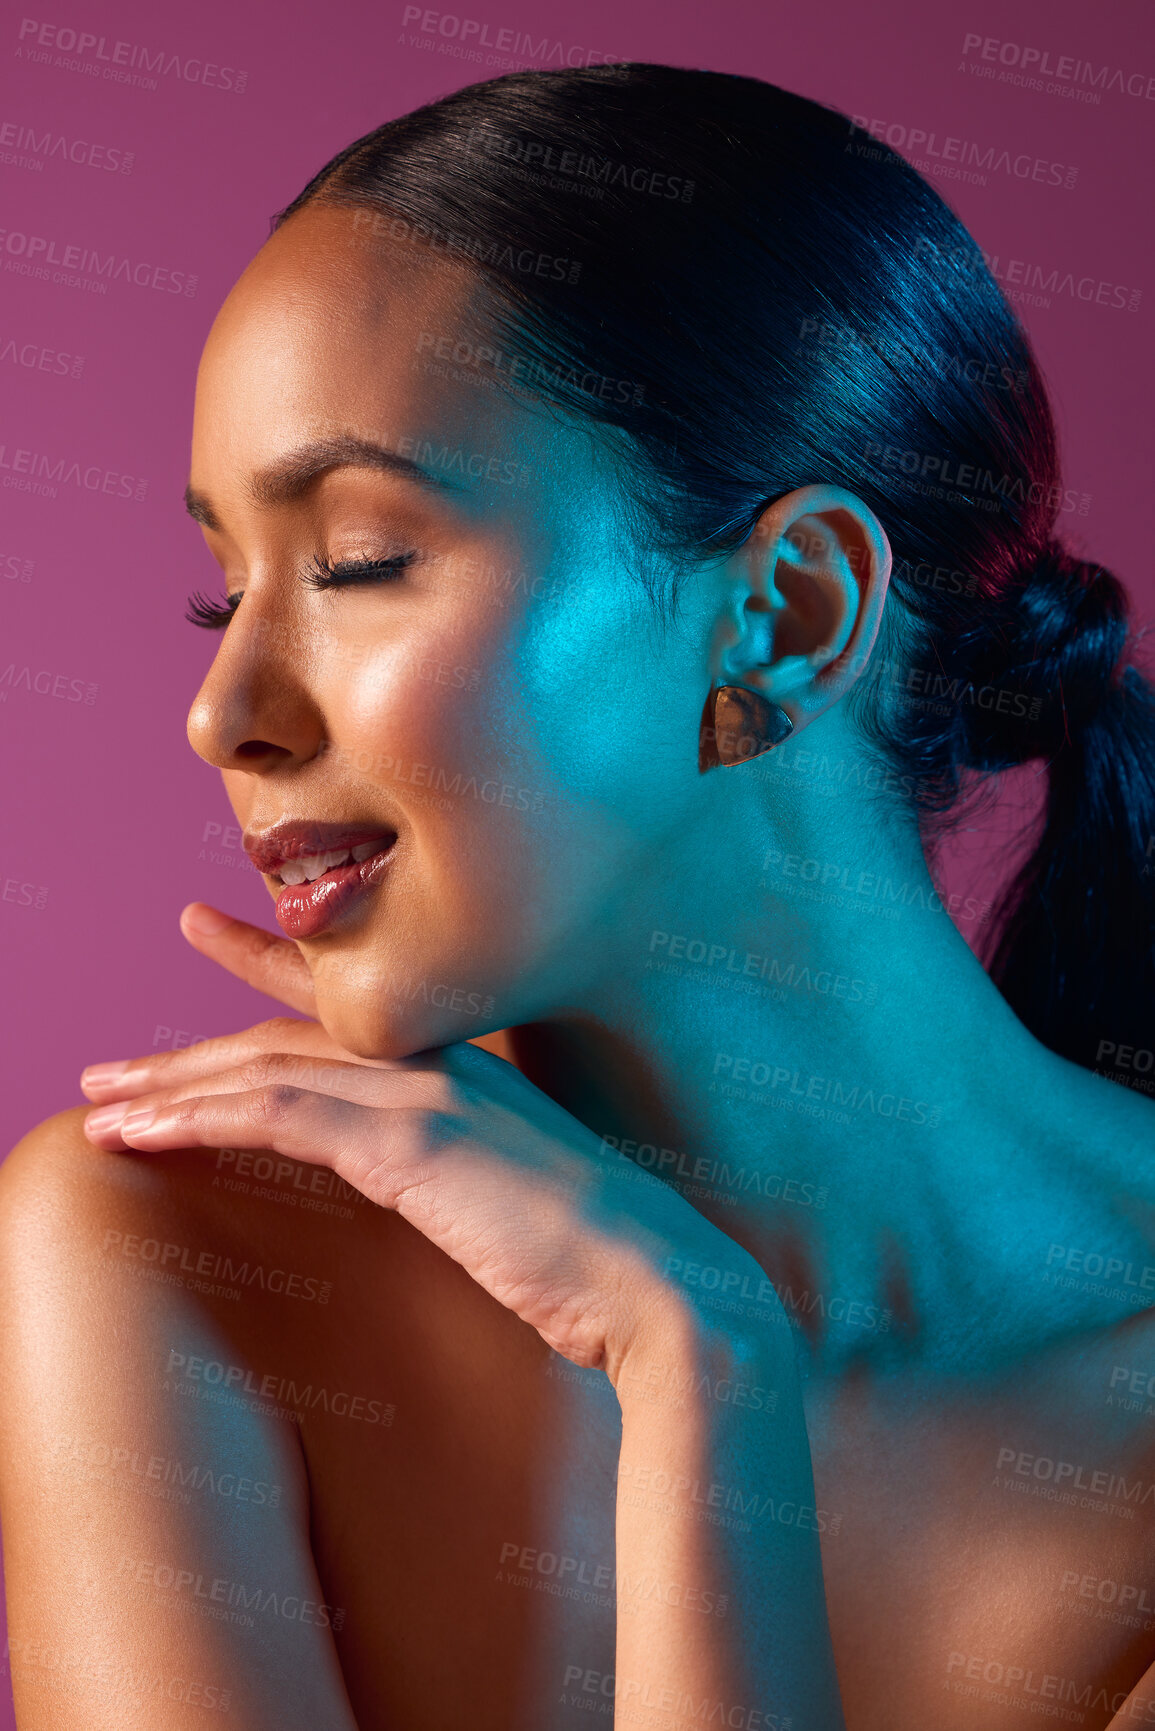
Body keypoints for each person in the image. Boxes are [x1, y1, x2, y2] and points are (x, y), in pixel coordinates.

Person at [0, 61, 1153, 1731]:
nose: (223, 713)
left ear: (788, 612)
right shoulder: (181, 1257)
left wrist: (697, 1370)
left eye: (358, 563)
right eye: (221, 594)